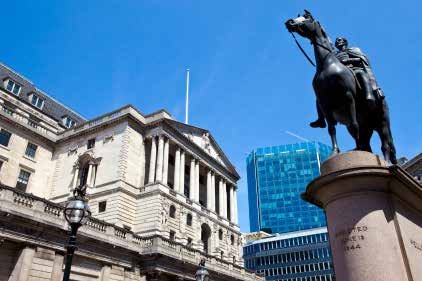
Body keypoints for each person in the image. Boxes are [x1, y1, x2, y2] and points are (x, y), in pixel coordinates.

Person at [310, 37, 385, 128]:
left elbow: (361, 59)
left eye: (340, 40)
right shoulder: (334, 55)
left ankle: (369, 95)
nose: (337, 42)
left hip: (353, 69)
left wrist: (348, 60)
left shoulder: (354, 50)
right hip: (339, 76)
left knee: (361, 74)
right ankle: (321, 119)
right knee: (321, 92)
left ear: (345, 42)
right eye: (337, 41)